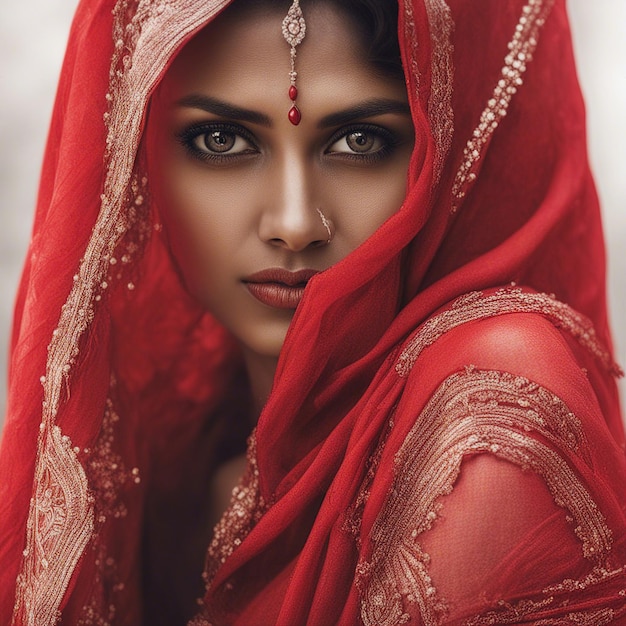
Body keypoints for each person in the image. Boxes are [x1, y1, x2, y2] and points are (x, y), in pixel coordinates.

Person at [1, 0, 624, 623]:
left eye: (360, 141)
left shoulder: (488, 417)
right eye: (223, 140)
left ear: (454, 153)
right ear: (133, 160)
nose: (294, 224)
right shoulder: (169, 468)